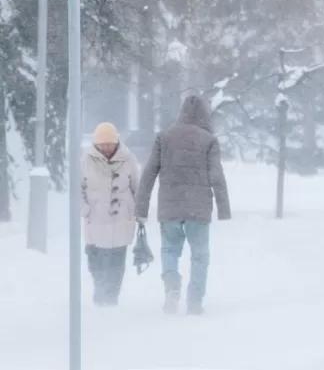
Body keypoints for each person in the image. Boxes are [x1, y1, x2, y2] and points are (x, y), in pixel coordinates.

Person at [136, 95, 231, 315]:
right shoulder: (209, 140)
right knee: (200, 256)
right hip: (198, 210)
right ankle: (195, 301)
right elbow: (217, 175)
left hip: (169, 208)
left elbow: (149, 173)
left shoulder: (164, 137)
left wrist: (141, 208)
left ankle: (171, 287)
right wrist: (223, 209)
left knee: (169, 250)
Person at [81, 123, 140, 306]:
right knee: (95, 259)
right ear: (96, 144)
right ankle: (100, 292)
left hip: (121, 219)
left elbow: (137, 187)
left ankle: (112, 297)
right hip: (96, 219)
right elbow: (77, 189)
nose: (107, 147)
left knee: (117, 261)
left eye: (110, 143)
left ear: (116, 142)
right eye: (102, 144)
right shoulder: (86, 160)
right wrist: (85, 209)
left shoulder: (128, 159)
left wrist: (138, 211)